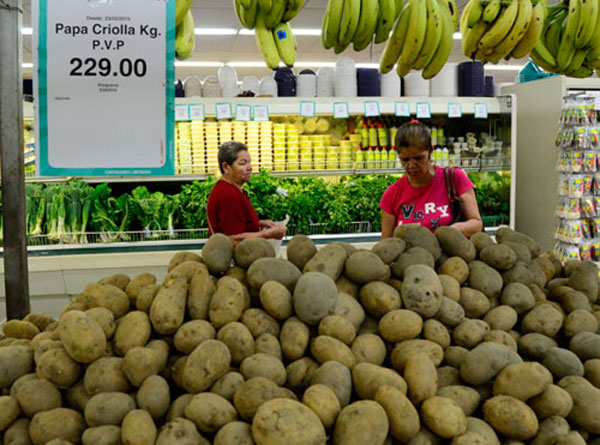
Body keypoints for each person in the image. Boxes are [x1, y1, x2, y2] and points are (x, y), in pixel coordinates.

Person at [380, 120, 482, 238]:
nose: (412, 165)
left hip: (452, 255)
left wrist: (455, 230)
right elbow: (387, 243)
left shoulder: (455, 178)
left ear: (430, 151)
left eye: (418, 158)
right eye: (405, 160)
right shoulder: (391, 195)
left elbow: (476, 224)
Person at [207, 141, 286, 245]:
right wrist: (267, 234)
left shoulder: (230, 189)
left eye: (249, 162)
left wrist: (259, 223)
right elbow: (232, 240)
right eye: (243, 163)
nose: (249, 167)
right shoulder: (229, 195)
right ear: (226, 167)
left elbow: (235, 225)